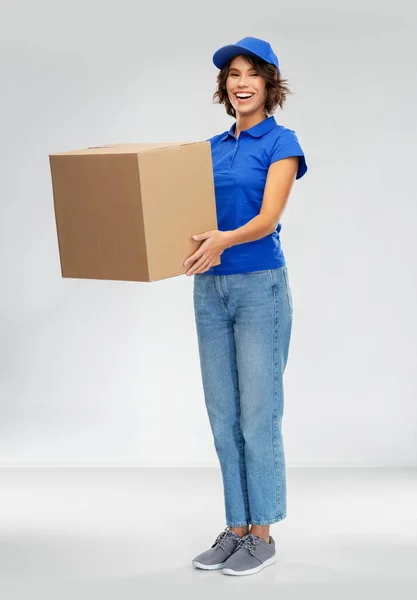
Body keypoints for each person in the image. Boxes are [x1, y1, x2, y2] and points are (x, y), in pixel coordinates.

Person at [183, 37, 308, 577]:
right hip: (209, 288)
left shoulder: (281, 142)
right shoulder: (208, 148)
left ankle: (263, 534)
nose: (240, 82)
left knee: (259, 414)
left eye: (251, 73)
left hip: (260, 287)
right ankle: (236, 528)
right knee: (223, 413)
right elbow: (185, 213)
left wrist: (220, 241)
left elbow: (267, 218)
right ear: (224, 86)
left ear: (268, 83)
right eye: (233, 74)